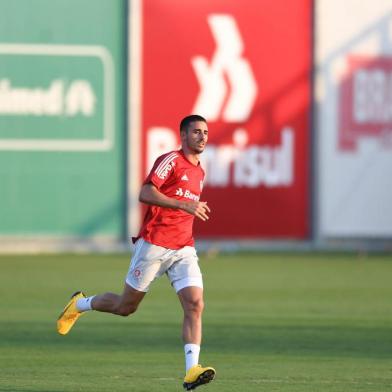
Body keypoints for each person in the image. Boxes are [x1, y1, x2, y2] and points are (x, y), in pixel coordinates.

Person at [57, 114, 216, 390]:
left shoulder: (200, 171)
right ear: (183, 135)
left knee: (195, 304)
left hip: (183, 249)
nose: (202, 137)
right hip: (154, 245)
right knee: (125, 307)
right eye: (196, 132)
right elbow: (145, 192)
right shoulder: (171, 161)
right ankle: (79, 304)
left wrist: (187, 209)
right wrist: (184, 205)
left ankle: (192, 371)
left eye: (205, 132)